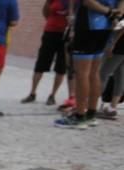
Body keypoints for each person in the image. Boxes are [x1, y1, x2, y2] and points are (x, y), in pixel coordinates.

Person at [55, 0, 122, 129]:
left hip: (89, 24)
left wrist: (109, 12)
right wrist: (115, 15)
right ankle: (91, 114)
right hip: (106, 27)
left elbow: (88, 2)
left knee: (82, 73)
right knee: (94, 72)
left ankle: (80, 116)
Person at [21, 0, 70, 105]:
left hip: (65, 35)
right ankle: (32, 93)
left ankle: (52, 95)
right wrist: (51, 22)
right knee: (41, 63)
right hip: (50, 32)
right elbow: (45, 11)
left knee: (61, 67)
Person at [98, 26, 124, 118]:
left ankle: (92, 106)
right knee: (120, 76)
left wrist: (112, 43)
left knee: (103, 74)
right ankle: (113, 107)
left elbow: (122, 26)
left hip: (119, 46)